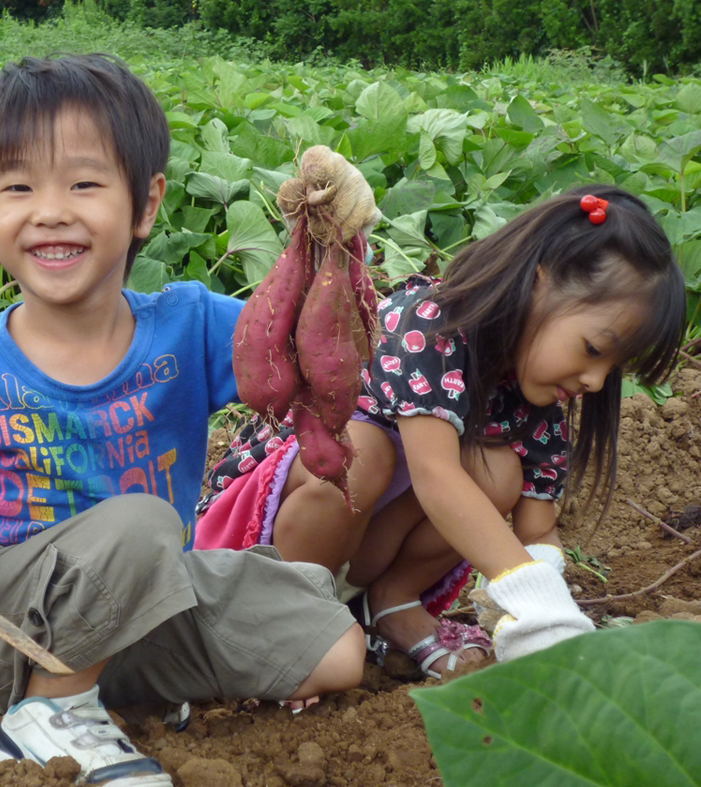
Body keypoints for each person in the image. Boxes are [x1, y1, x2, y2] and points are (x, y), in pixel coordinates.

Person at [0, 54, 367, 787]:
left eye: (83, 184)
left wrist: (335, 241)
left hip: (145, 600)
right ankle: (49, 712)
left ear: (145, 205)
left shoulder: (191, 325)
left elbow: (308, 352)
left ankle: (111, 694)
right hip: (9, 625)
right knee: (143, 522)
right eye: (18, 188)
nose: (50, 210)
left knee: (336, 651)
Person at [197, 184, 685, 677]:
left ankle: (389, 603)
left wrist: (550, 615)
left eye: (613, 368)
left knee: (498, 473)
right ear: (539, 281)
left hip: (357, 552)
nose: (595, 381)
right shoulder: (428, 324)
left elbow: (537, 529)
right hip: (271, 539)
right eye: (594, 350)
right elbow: (436, 476)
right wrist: (536, 603)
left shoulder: (535, 400)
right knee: (364, 454)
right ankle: (275, 618)